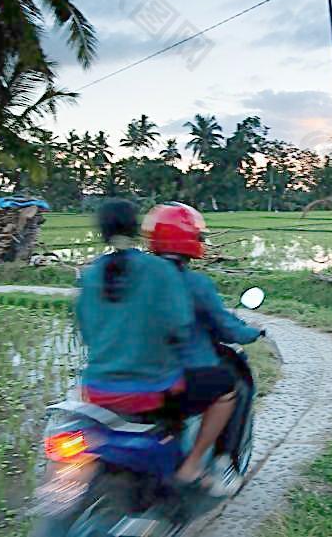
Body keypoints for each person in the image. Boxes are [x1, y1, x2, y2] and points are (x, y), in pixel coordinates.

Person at [74, 200, 238, 491]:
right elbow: (179, 326)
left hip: (96, 389)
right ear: (136, 229)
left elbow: (86, 332)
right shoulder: (159, 271)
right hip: (153, 390)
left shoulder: (91, 274)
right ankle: (191, 466)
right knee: (226, 387)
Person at [141, 203, 264, 482]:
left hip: (131, 373)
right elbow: (226, 327)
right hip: (177, 378)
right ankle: (200, 463)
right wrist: (253, 332)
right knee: (229, 389)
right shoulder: (194, 284)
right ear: (190, 240)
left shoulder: (132, 279)